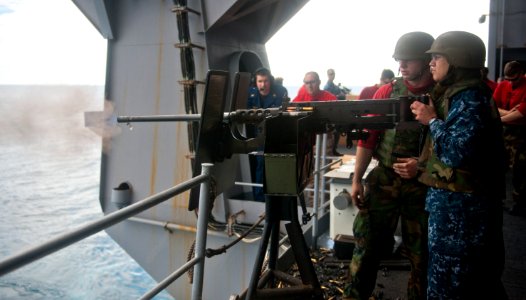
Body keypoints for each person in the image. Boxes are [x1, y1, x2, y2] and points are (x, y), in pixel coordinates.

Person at [411, 31, 507, 299]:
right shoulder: (460, 95)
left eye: (438, 57)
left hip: (461, 216)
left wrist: (431, 120)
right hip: (460, 211)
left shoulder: (469, 99)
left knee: (451, 288)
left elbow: (456, 152)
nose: (431, 63)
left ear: (457, 60)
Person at [343, 32, 435, 300]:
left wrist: (422, 165)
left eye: (408, 59)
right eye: (399, 60)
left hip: (425, 183)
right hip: (385, 178)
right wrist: (357, 179)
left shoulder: (441, 94)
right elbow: (368, 140)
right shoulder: (387, 92)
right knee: (367, 245)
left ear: (426, 60)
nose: (402, 66)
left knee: (423, 254)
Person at [247, 67, 289, 201]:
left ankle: (278, 196)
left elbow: (283, 113)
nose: (263, 85)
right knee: (260, 165)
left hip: (277, 135)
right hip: (260, 135)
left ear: (270, 81)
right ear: (256, 82)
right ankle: (259, 198)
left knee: (277, 165)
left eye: (265, 81)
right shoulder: (251, 93)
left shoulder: (280, 92)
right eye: (260, 81)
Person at [493, 60, 526, 216]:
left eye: (515, 79)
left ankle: (519, 203)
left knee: (520, 171)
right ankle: (497, 199)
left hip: (522, 134)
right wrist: (509, 113)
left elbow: (521, 114)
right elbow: (492, 105)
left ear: (522, 73)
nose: (511, 83)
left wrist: (499, 116)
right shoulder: (503, 85)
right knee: (498, 167)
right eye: (508, 79)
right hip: (503, 132)